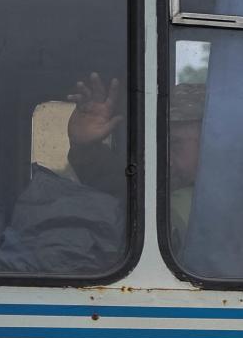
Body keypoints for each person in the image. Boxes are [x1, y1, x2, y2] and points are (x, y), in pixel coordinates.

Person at [67, 73, 204, 246]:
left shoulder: (241, 202)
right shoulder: (149, 189)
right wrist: (84, 148)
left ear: (211, 143)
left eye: (175, 144)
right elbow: (115, 186)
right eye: (158, 145)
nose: (164, 158)